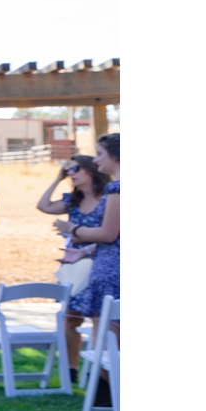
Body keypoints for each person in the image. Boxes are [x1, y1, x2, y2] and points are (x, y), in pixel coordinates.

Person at [36, 152, 108, 379]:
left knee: (100, 319)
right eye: (69, 170)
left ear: (91, 170)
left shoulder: (109, 198)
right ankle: (71, 370)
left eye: (76, 169)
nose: (71, 174)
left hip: (101, 263)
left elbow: (112, 235)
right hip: (75, 267)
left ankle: (100, 372)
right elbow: (44, 206)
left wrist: (78, 237)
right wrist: (57, 179)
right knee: (71, 318)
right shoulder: (72, 201)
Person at [71, 133, 121, 381]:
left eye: (100, 153)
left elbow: (109, 233)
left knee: (107, 341)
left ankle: (105, 401)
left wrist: (74, 231)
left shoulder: (117, 188)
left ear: (116, 156)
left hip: (112, 271)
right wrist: (85, 250)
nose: (95, 159)